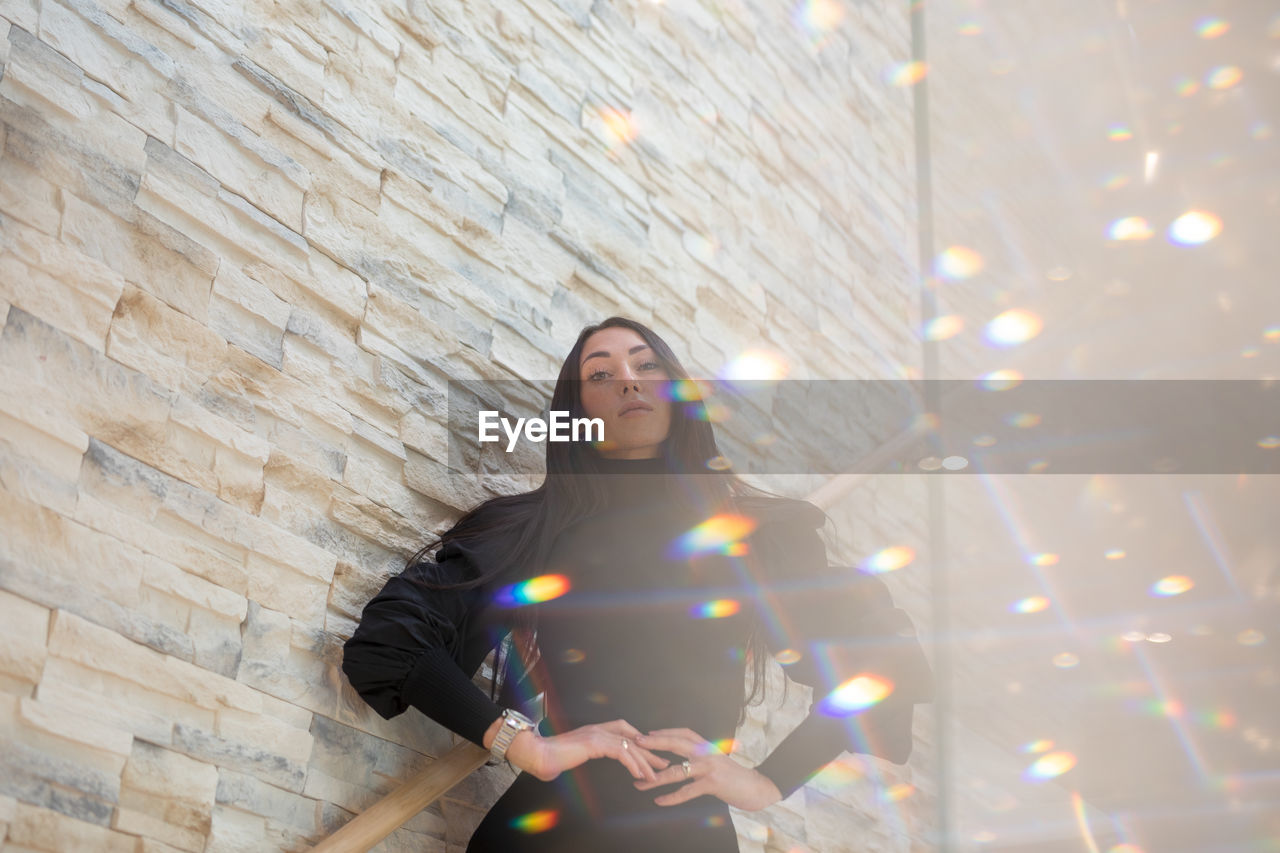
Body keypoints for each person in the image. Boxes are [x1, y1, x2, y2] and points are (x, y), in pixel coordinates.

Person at [342, 318, 933, 851]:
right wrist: (524, 744)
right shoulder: (536, 530)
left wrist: (768, 781)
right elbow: (391, 639)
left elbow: (882, 661)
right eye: (600, 374)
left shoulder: (756, 536)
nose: (628, 380)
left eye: (646, 364)